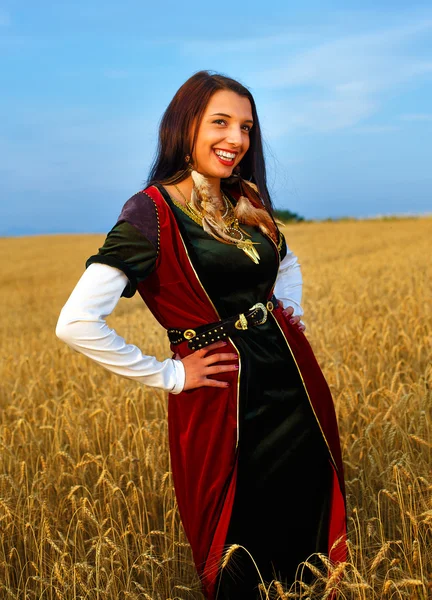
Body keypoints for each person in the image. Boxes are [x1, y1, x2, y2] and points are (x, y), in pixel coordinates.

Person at [56, 70, 347, 600]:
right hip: (222, 398)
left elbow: (285, 261)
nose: (236, 140)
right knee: (240, 545)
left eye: (246, 127)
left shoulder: (245, 197)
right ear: (185, 126)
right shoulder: (152, 211)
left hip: (294, 384)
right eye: (221, 122)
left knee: (308, 522)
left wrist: (289, 311)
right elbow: (75, 321)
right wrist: (169, 373)